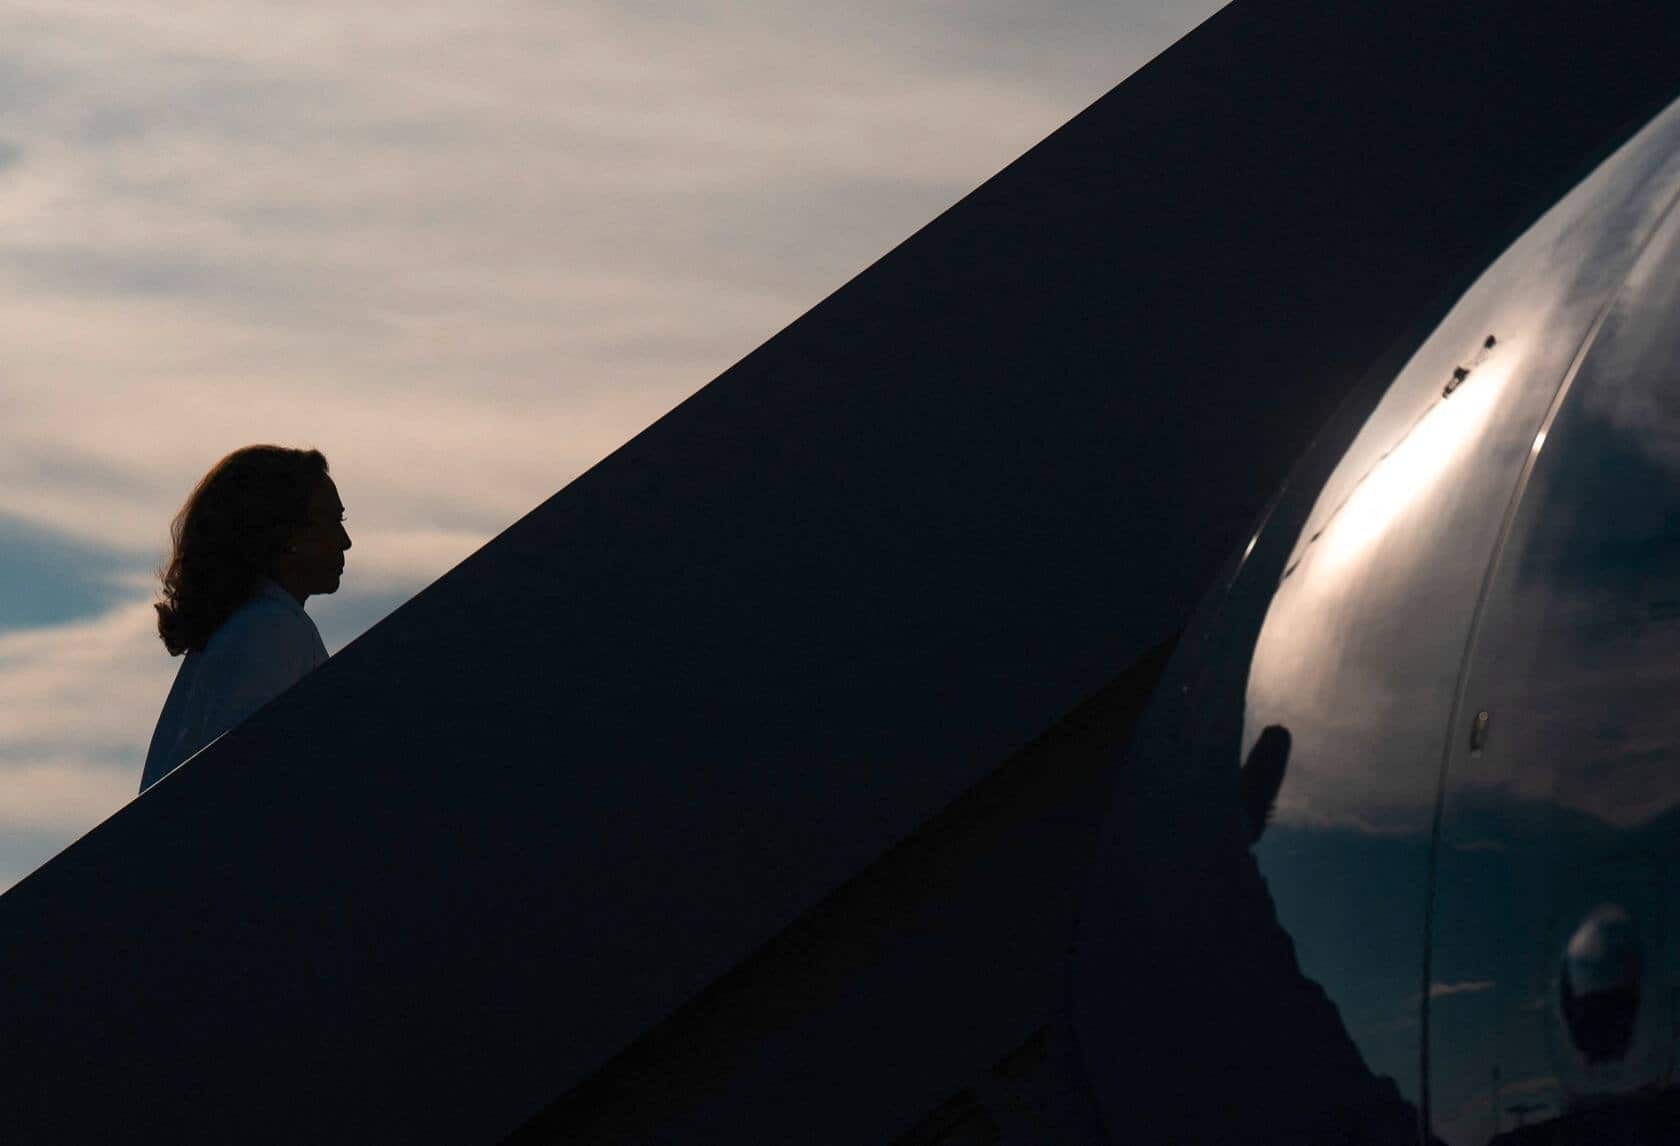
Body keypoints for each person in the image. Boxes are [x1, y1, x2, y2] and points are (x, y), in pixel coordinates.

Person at [138, 445, 351, 793]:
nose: (345, 541)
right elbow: (247, 785)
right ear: (283, 534)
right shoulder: (271, 630)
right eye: (330, 521)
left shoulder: (238, 633)